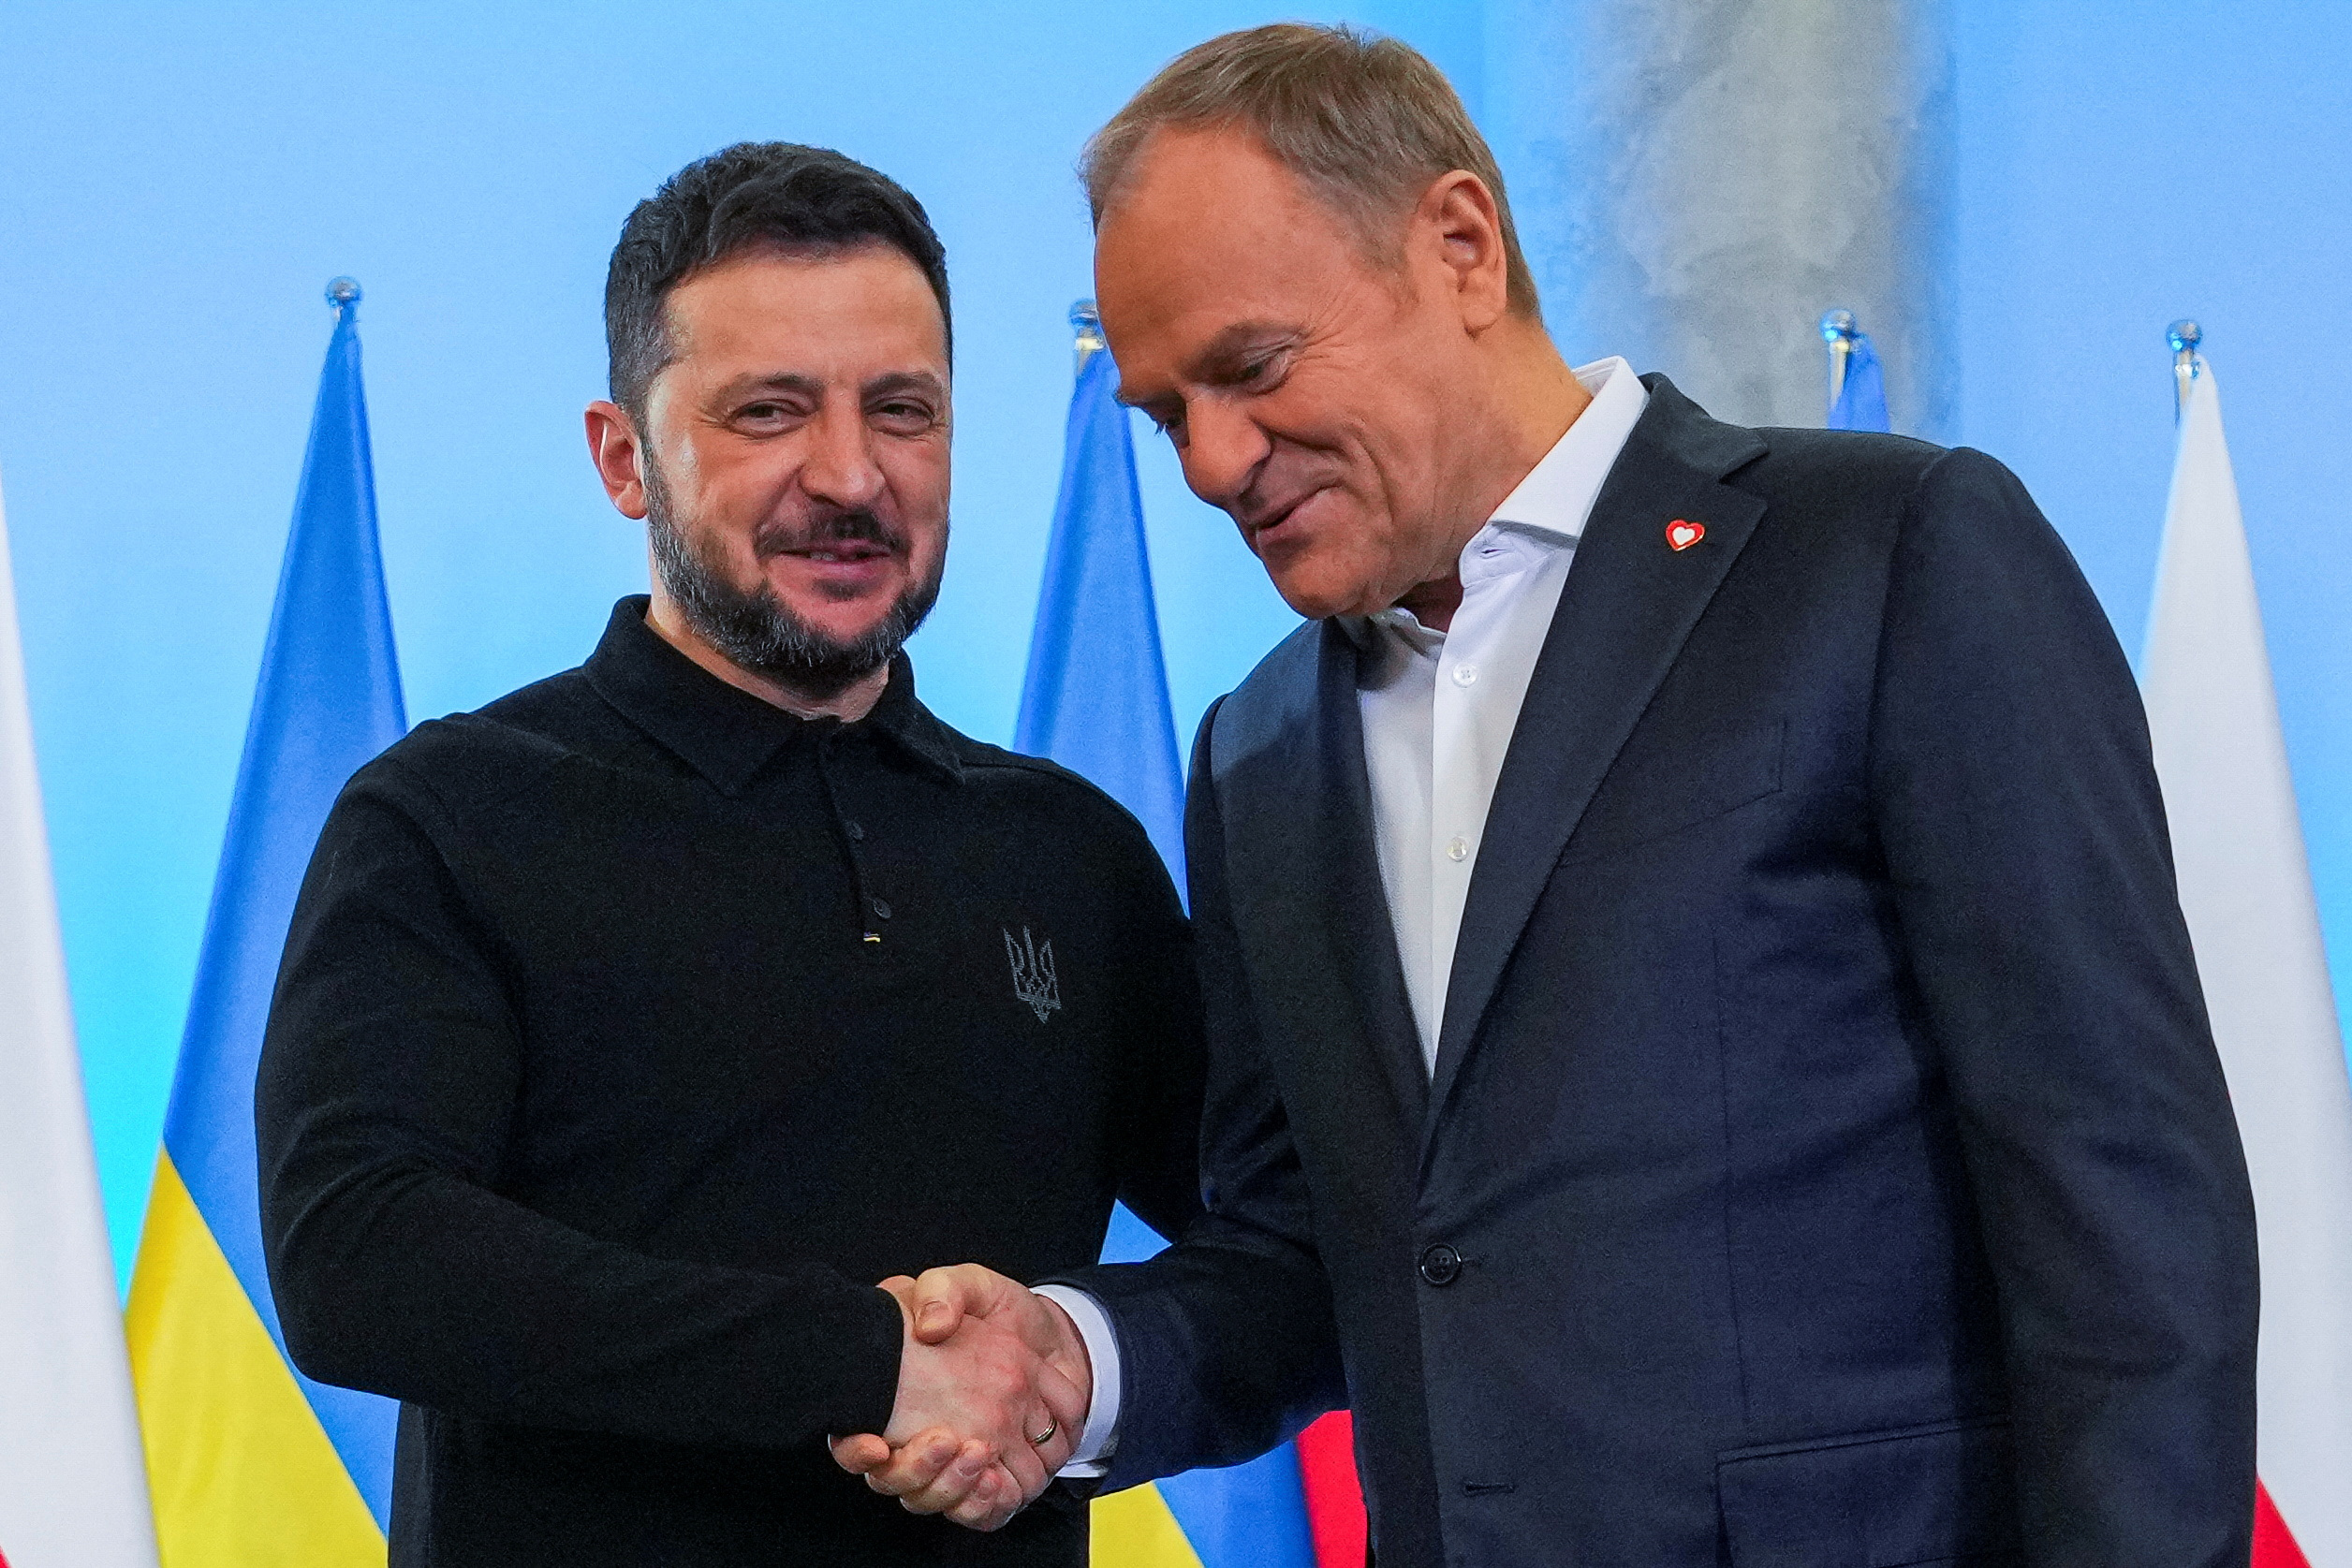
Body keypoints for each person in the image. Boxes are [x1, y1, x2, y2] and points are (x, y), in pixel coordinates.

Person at [837, 25, 2261, 1567]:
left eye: (1251, 369)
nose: (1211, 463)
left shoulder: (1889, 560)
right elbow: (1325, 1255)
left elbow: (2119, 1204)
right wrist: (1079, 1363)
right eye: (1169, 413)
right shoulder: (1258, 754)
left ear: (1460, 247)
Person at [256, 141, 1205, 1567]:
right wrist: (867, 1362)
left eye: (904, 410)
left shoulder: (1072, 853)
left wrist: (1076, 1357)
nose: (851, 475)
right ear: (623, 459)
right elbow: (360, 1258)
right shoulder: (450, 812)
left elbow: (1293, 1243)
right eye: (769, 412)